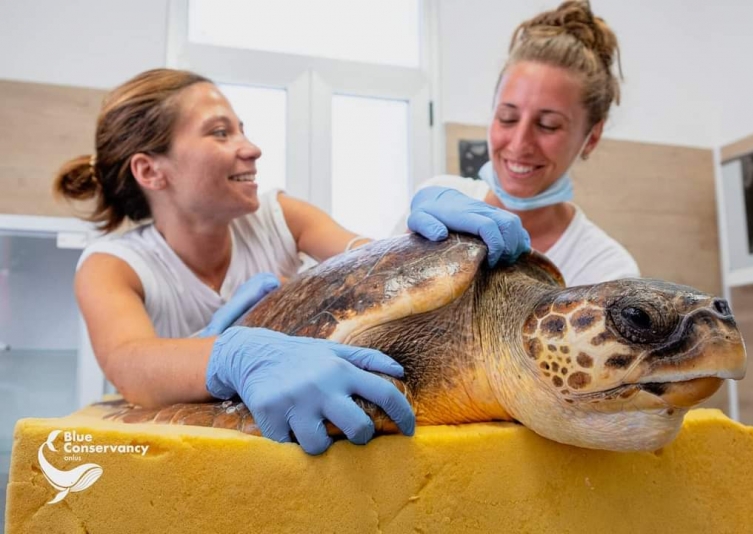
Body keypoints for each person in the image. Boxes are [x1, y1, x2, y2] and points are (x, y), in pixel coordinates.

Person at [54, 68, 530, 455]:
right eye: (221, 132)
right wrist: (234, 355)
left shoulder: (278, 217)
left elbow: (367, 259)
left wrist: (425, 237)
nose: (251, 147)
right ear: (150, 170)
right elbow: (129, 364)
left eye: (242, 128)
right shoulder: (113, 264)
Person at [397, 0, 639, 286]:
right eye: (508, 118)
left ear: (591, 138)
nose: (520, 143)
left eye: (548, 125)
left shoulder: (606, 269)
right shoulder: (439, 202)